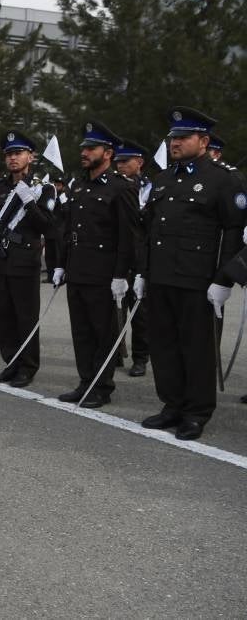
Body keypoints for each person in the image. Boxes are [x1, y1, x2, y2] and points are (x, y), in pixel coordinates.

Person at [136, 108, 244, 440]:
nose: (175, 143)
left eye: (183, 138)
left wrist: (224, 279)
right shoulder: (163, 179)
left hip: (199, 281)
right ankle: (173, 405)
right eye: (173, 138)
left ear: (204, 141)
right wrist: (143, 272)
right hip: (162, 277)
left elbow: (235, 231)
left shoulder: (224, 179)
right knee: (164, 346)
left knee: (197, 350)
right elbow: (151, 230)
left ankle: (196, 412)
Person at [54, 121, 138, 409]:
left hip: (103, 273)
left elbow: (128, 236)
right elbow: (69, 229)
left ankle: (101, 387)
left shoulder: (121, 187)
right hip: (77, 268)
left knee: (103, 333)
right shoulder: (79, 186)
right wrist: (61, 264)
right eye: (84, 148)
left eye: (91, 148)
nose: (85, 153)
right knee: (82, 332)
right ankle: (85, 381)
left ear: (108, 153)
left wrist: (121, 274)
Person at [0, 131, 56, 388]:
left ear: (30, 156)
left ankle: (27, 366)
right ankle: (11, 363)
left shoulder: (43, 188)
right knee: (5, 317)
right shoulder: (1, 188)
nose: (13, 158)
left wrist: (29, 202)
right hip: (3, 259)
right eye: (9, 154)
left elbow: (46, 225)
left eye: (18, 153)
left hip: (26, 260)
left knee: (26, 317)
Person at [113, 139, 152, 377]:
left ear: (139, 162)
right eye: (118, 161)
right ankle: (116, 352)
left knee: (140, 313)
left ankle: (141, 358)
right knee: (114, 309)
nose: (120, 165)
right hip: (117, 254)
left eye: (125, 161)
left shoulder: (150, 188)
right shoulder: (113, 186)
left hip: (139, 256)